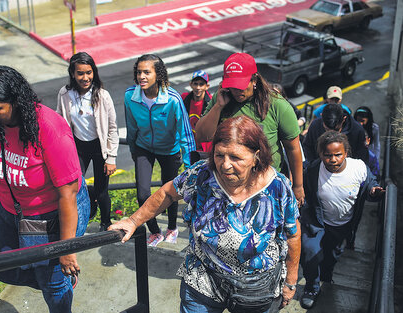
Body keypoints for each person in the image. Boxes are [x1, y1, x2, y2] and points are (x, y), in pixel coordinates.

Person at [110, 116, 301, 313]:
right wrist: (133, 221)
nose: (225, 165)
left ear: (256, 156)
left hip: (256, 287)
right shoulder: (201, 174)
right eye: (219, 155)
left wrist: (290, 282)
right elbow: (168, 192)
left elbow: (293, 234)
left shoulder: (278, 186)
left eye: (235, 157)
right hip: (203, 277)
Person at [0, 66, 90, 313]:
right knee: (0, 267)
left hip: (50, 213)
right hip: (8, 208)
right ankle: (57, 280)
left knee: (52, 283)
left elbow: (67, 193)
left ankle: (58, 283)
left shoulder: (49, 127)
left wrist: (66, 249)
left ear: (16, 102)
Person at [196, 52, 305, 206]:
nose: (237, 91)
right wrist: (219, 106)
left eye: (241, 86)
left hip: (266, 186)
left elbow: (293, 148)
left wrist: (298, 186)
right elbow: (201, 136)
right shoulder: (222, 99)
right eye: (232, 87)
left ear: (254, 80)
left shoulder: (277, 105)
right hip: (229, 184)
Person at [300, 131, 385, 309]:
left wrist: (374, 191)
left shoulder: (359, 168)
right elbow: (304, 193)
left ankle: (325, 277)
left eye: (338, 154)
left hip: (342, 225)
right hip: (317, 223)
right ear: (321, 154)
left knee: (331, 258)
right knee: (310, 253)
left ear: (346, 152)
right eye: (327, 155)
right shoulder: (313, 170)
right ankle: (311, 288)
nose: (333, 159)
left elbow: (370, 183)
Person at [124, 54, 196, 247]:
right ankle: (154, 231)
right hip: (143, 148)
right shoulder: (130, 96)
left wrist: (190, 167)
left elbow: (185, 134)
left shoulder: (172, 99)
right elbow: (131, 127)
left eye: (147, 72)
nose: (142, 76)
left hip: (169, 150)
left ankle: (172, 227)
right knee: (142, 194)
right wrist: (133, 150)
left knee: (170, 192)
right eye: (139, 72)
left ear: (159, 74)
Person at [56, 52, 119, 232]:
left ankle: (106, 223)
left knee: (101, 191)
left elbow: (113, 128)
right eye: (80, 73)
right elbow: (60, 121)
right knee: (74, 187)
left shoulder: (102, 95)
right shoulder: (65, 94)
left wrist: (111, 158)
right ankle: (78, 223)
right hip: (78, 148)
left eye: (89, 73)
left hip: (99, 149)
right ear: (73, 74)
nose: (85, 78)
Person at [303, 103, 369, 166]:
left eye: (336, 130)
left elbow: (362, 156)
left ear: (343, 119)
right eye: (327, 130)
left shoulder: (357, 130)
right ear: (321, 116)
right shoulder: (315, 125)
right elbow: (307, 147)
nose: (331, 135)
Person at [181, 69, 212, 163]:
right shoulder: (184, 98)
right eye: (195, 84)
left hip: (204, 146)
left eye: (201, 84)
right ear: (191, 85)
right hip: (189, 144)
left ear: (207, 86)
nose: (198, 87)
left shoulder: (211, 102)